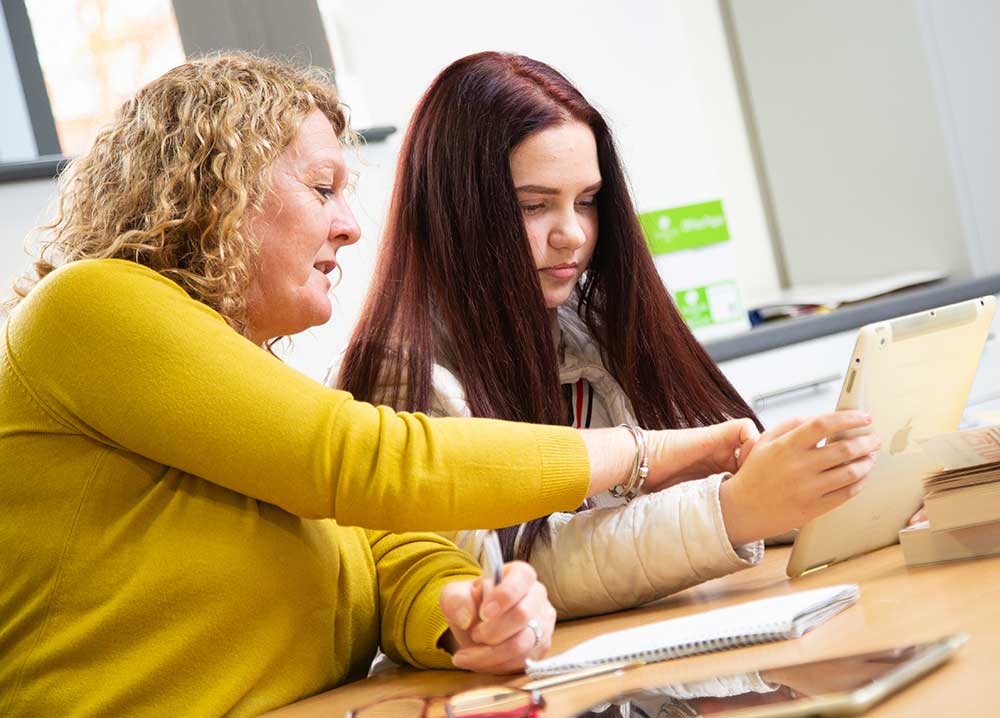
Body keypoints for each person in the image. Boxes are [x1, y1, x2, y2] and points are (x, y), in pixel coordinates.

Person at [0, 53, 810, 718]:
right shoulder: (88, 306)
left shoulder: (245, 366)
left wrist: (466, 617)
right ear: (215, 192)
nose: (350, 225)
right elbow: (372, 463)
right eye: (323, 189)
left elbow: (389, 551)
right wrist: (654, 455)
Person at [335, 51, 880, 619]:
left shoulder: (584, 329)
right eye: (533, 205)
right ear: (456, 208)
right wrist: (731, 511)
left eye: (588, 202)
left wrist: (809, 497)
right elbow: (500, 581)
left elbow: (636, 522)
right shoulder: (402, 375)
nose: (571, 234)